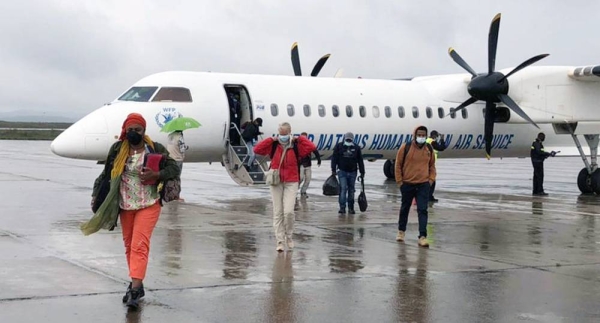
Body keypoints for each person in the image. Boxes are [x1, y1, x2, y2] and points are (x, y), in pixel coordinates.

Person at [89, 113, 179, 308]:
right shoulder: (118, 149)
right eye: (130, 130)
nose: (133, 133)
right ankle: (136, 281)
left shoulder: (155, 149)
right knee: (129, 246)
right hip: (125, 205)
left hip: (148, 203)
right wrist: (97, 195)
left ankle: (136, 288)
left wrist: (157, 173)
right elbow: (106, 174)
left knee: (139, 245)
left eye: (137, 130)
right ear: (125, 130)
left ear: (144, 131)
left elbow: (174, 169)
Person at [254, 122, 316, 251]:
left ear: (290, 133)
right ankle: (280, 241)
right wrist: (271, 139)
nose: (282, 136)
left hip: (291, 181)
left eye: (284, 134)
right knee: (278, 212)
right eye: (280, 134)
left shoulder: (296, 146)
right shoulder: (274, 145)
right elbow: (257, 149)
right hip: (276, 180)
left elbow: (311, 147)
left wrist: (299, 138)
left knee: (288, 212)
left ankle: (289, 236)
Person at [394, 125, 436, 248]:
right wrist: (400, 182)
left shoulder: (429, 149)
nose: (421, 137)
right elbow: (398, 165)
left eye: (423, 135)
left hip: (423, 184)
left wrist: (430, 180)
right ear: (415, 135)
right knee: (405, 208)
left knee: (423, 210)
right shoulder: (405, 147)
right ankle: (401, 231)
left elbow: (432, 165)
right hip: (407, 184)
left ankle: (422, 236)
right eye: (419, 135)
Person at [331, 132, 365, 215]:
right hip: (344, 171)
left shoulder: (355, 148)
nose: (348, 140)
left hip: (351, 171)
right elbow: (334, 158)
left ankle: (348, 208)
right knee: (347, 190)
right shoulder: (340, 146)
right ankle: (345, 208)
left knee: (348, 190)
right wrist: (333, 169)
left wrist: (362, 171)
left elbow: (360, 160)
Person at [298, 132, 321, 198]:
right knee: (300, 178)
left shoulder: (309, 144)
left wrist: (319, 159)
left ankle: (303, 191)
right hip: (301, 164)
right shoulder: (297, 144)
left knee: (308, 179)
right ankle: (294, 189)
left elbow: (315, 151)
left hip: (308, 164)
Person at [425, 130, 446, 202]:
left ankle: (428, 196)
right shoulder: (432, 142)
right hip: (429, 164)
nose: (436, 138)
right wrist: (442, 139)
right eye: (437, 136)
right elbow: (441, 148)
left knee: (428, 181)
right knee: (432, 181)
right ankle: (429, 197)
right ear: (434, 136)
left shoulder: (427, 140)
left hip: (425, 163)